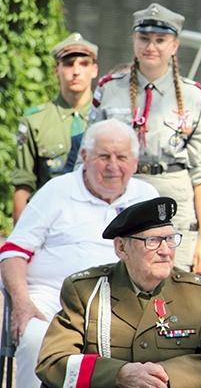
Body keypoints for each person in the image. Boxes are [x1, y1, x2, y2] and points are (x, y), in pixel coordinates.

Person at [0, 119, 158, 388]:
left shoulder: (146, 196)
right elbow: (13, 251)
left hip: (121, 303)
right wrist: (22, 303)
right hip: (51, 300)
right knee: (35, 336)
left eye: (121, 157)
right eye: (103, 156)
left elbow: (160, 253)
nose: (112, 166)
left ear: (134, 162)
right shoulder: (57, 191)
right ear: (84, 156)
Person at [36, 196, 201, 388]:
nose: (165, 250)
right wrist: (118, 374)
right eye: (153, 241)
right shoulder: (87, 292)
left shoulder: (198, 295)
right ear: (121, 248)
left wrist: (165, 376)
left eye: (170, 239)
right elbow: (54, 361)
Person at [90, 2, 201, 274]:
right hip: (120, 195)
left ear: (175, 45)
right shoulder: (109, 89)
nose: (151, 46)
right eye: (144, 38)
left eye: (161, 40)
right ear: (134, 40)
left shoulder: (193, 96)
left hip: (175, 200)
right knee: (114, 278)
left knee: (173, 280)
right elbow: (86, 159)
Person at [11, 32, 99, 223]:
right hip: (49, 218)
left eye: (83, 64)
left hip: (96, 219)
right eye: (68, 64)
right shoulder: (35, 120)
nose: (76, 71)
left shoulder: (106, 119)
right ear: (56, 70)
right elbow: (23, 185)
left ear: (94, 70)